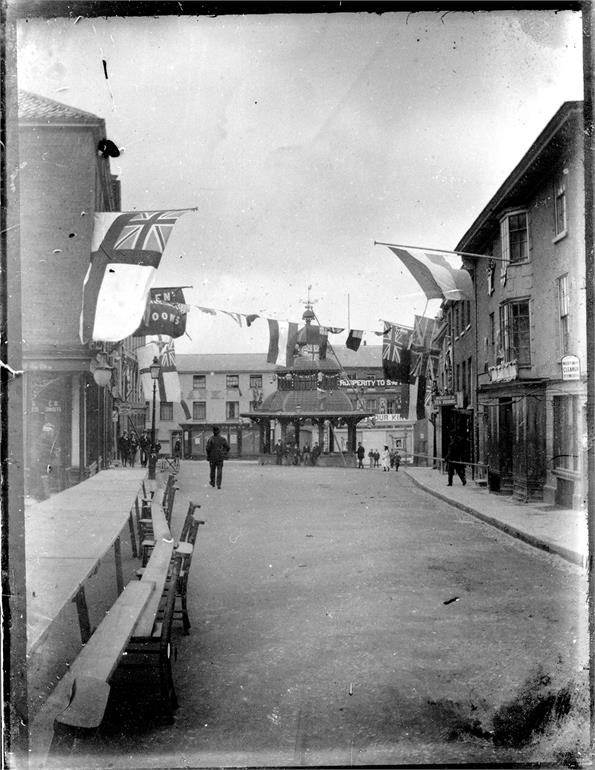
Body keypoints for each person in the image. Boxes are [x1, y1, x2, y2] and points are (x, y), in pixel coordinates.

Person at [206, 425, 230, 489]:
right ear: (219, 431)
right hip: (220, 457)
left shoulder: (210, 439)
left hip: (212, 457)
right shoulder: (222, 439)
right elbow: (228, 447)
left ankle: (212, 482)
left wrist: (208, 456)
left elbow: (207, 448)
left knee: (212, 470)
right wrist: (224, 453)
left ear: (213, 432)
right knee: (219, 470)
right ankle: (218, 484)